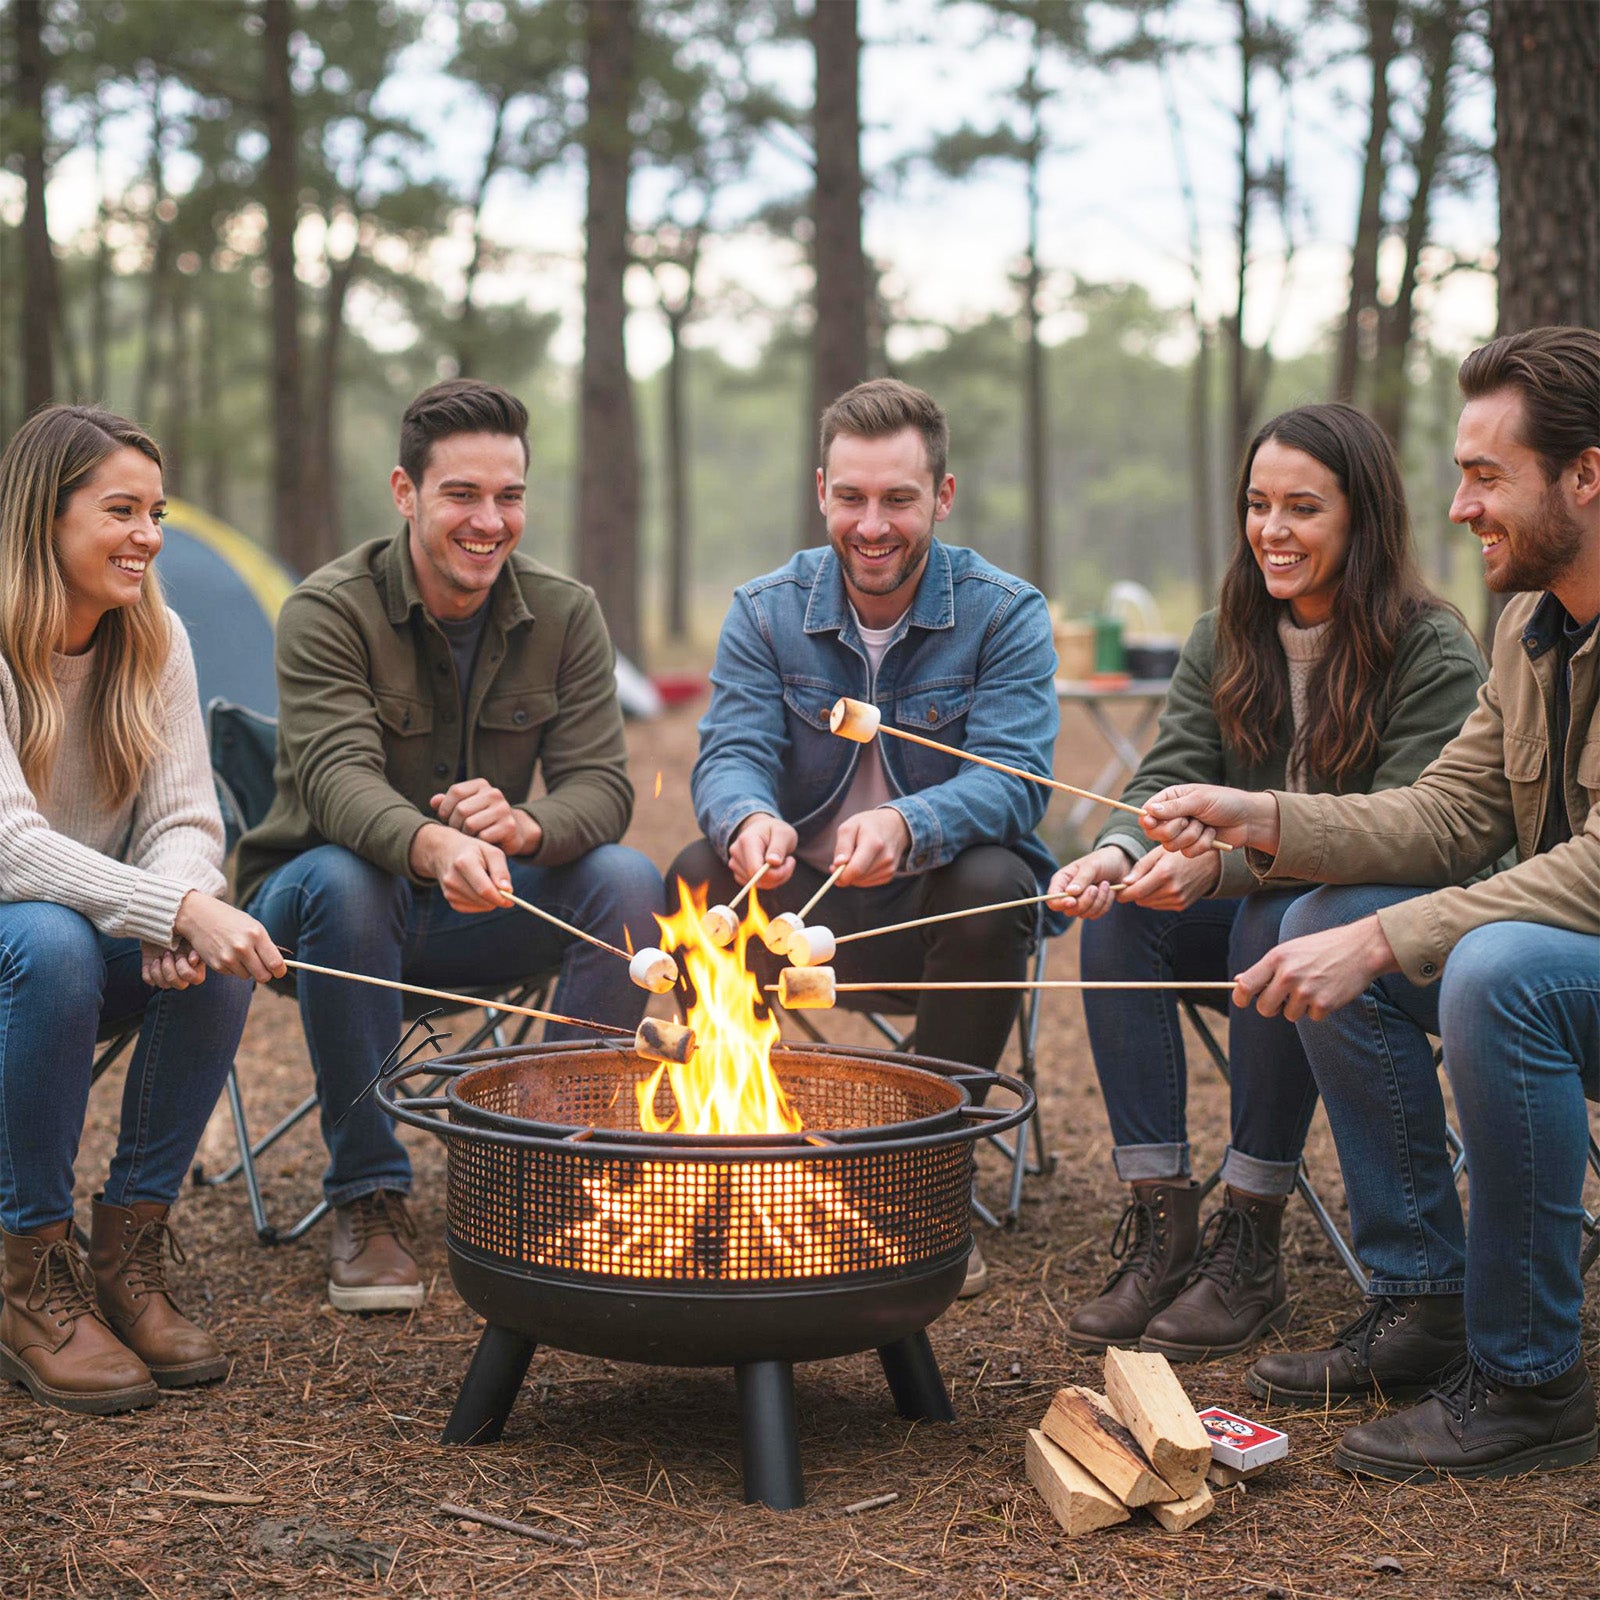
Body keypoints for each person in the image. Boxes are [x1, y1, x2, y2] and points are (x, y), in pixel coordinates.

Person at [1140, 326, 1599, 1481]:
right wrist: (1261, 816)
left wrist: (1394, 934)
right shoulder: (1529, 627)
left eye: (1486, 476)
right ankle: (1421, 1299)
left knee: (1492, 970)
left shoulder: (1449, 631)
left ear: (1585, 475)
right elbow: (1445, 814)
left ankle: (1530, 1377)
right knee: (1317, 923)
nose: (1458, 506)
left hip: (1552, 973)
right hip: (1571, 969)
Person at [1046, 403, 1488, 1363]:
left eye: (1303, 508)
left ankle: (1251, 1228)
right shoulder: (1227, 633)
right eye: (1258, 505)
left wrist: (1221, 864)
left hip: (1381, 932)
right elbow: (1167, 771)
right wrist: (1118, 854)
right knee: (1121, 921)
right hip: (1268, 919)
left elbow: (1413, 835)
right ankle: (1162, 1222)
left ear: (1363, 517)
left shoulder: (1431, 650)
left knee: (1275, 919)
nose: (1272, 531)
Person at [237, 379, 663, 1313]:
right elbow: (335, 781)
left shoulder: (565, 613)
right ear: (406, 492)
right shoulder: (328, 609)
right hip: (321, 920)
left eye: (508, 496)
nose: (489, 521)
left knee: (629, 879)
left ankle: (556, 1170)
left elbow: (603, 785)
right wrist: (432, 844)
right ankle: (368, 1195)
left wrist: (528, 826)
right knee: (348, 880)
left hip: (484, 912)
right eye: (462, 494)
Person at [671, 378, 1061, 1297]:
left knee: (995, 881)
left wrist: (908, 822)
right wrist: (748, 818)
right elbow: (730, 753)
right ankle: (737, 1161)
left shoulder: (1004, 613)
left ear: (943, 496)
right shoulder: (765, 610)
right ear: (822, 492)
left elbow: (1015, 778)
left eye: (899, 499)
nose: (872, 525)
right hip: (796, 904)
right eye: (851, 497)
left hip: (932, 910)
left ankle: (925, 1181)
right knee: (696, 873)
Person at [0, 406, 285, 1415]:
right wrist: (169, 905)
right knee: (54, 942)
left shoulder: (156, 639)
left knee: (215, 960)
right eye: (120, 510)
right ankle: (26, 1273)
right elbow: (11, 845)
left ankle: (128, 1254)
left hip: (78, 933)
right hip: (29, 943)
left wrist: (180, 914)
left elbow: (185, 819)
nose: (148, 536)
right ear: (45, 516)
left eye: (155, 513)